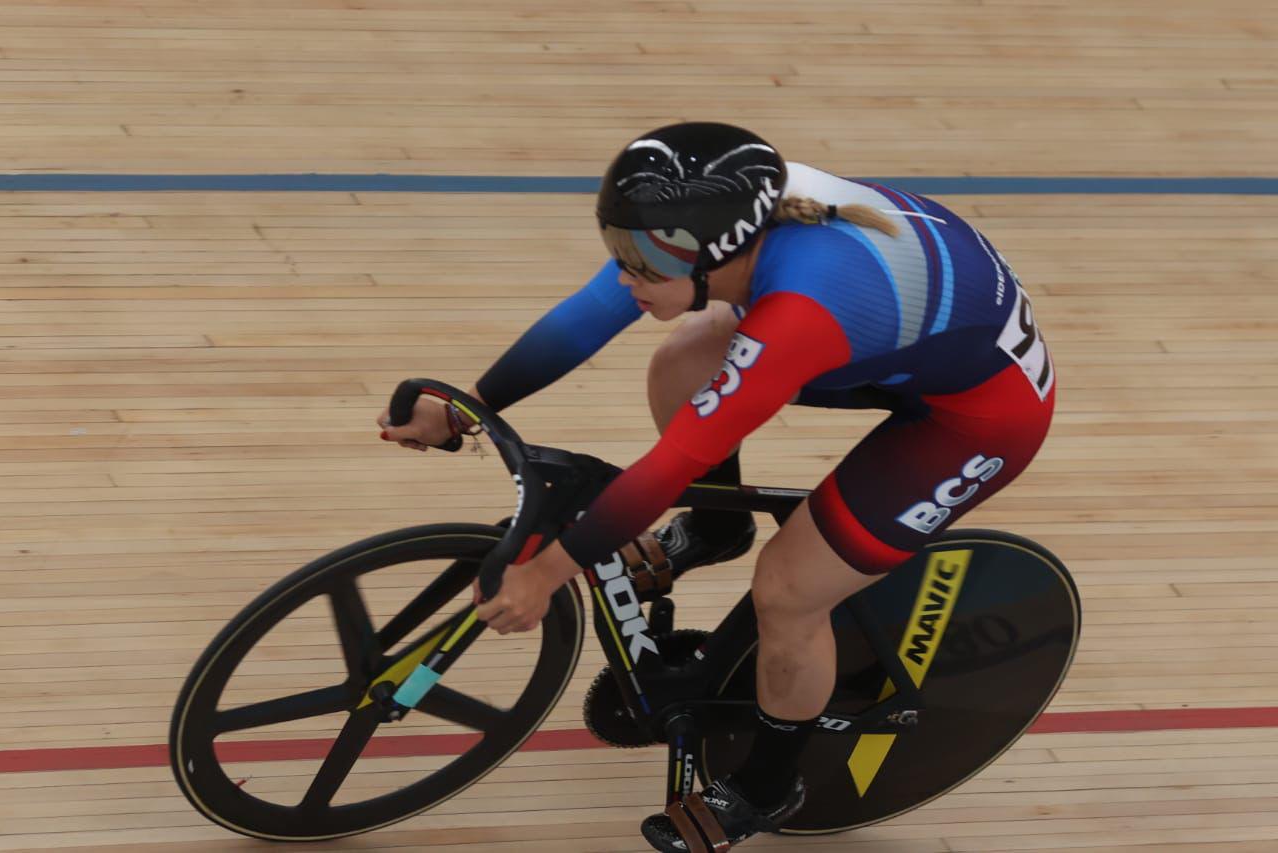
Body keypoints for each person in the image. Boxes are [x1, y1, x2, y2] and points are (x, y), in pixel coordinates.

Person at [377, 122, 1055, 852]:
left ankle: (767, 786)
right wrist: (466, 407)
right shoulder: (712, 225)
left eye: (642, 264)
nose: (625, 276)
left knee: (788, 591)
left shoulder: (801, 308)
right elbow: (586, 318)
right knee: (681, 367)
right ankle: (717, 527)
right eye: (620, 250)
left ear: (718, 252)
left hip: (978, 416)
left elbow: (672, 463)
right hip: (902, 343)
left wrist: (546, 573)